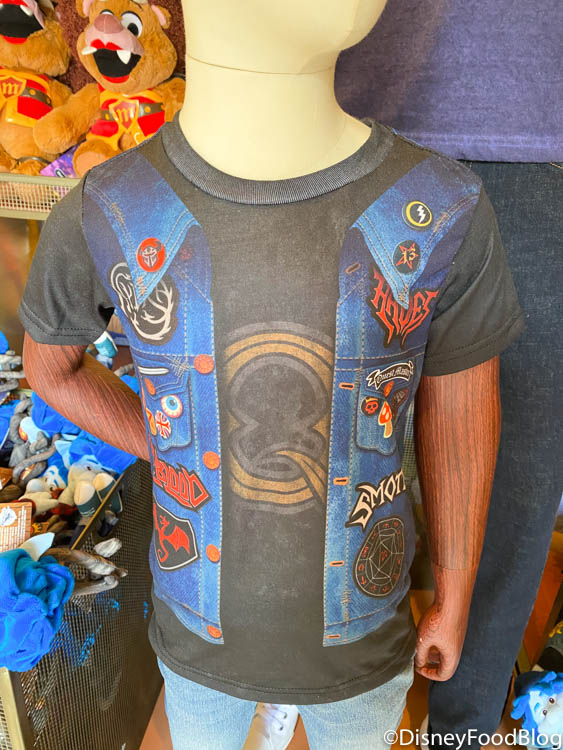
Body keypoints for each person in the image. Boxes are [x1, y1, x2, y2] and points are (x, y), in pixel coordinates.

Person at [18, 1, 523, 748]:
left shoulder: (441, 209)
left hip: (362, 640)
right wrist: (173, 448)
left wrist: (454, 592)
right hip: (195, 638)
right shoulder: (109, 207)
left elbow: (460, 416)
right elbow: (52, 369)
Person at [334, 0, 563, 742]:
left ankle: (457, 729)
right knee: (326, 460)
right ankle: (338, 711)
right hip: (345, 124)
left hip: (535, 131)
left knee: (516, 487)